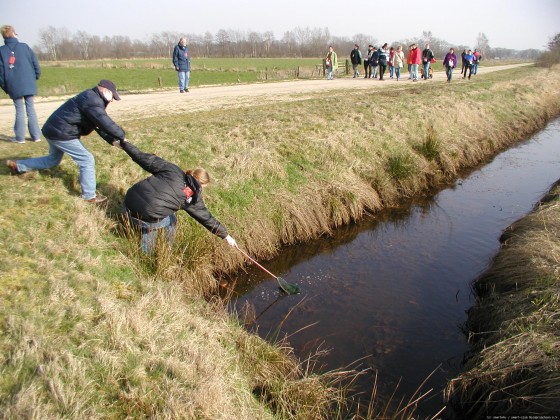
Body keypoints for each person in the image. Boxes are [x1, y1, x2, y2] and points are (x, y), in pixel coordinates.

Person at [5, 80, 125, 204]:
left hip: (52, 130)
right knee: (87, 159)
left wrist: (112, 140)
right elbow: (104, 121)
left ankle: (18, 166)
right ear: (105, 90)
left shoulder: (91, 98)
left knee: (52, 159)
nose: (111, 101)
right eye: (112, 97)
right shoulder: (93, 101)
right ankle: (89, 196)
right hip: (62, 133)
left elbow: (98, 125)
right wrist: (121, 135)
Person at [117, 139, 238, 254]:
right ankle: (152, 253)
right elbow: (206, 218)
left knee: (162, 210)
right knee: (170, 219)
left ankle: (129, 226)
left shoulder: (173, 169)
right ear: (202, 185)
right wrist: (226, 236)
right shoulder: (192, 198)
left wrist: (125, 145)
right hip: (145, 215)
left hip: (128, 200)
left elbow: (145, 159)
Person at [0, 25, 41, 144]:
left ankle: (20, 138)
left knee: (19, 110)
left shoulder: (1, 51)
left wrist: (5, 87)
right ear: (13, 33)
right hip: (29, 82)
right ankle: (36, 136)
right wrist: (35, 77)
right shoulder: (25, 47)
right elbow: (36, 64)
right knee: (30, 109)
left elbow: (1, 74)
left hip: (13, 84)